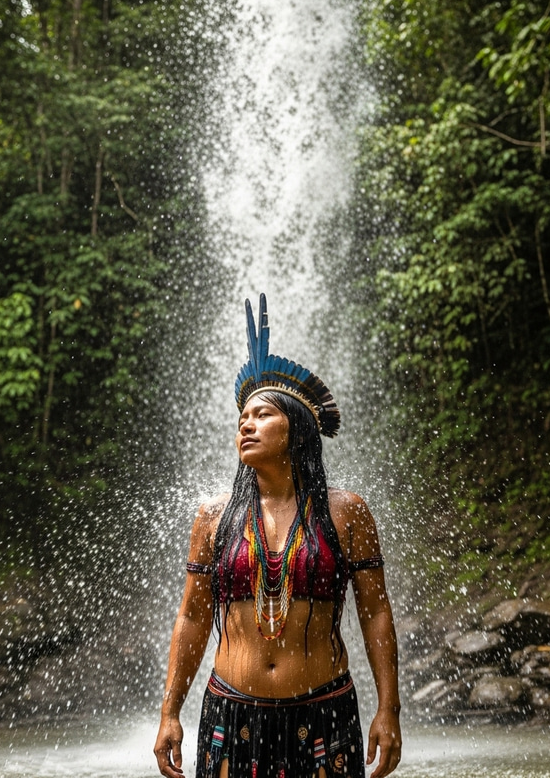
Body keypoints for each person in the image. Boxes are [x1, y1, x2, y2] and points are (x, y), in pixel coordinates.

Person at [154, 294, 401, 778]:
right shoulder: (213, 517)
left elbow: (375, 613)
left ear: (299, 429)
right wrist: (169, 712)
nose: (247, 424)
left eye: (262, 415)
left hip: (324, 711)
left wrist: (388, 709)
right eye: (242, 418)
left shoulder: (347, 513)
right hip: (230, 712)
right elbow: (191, 617)